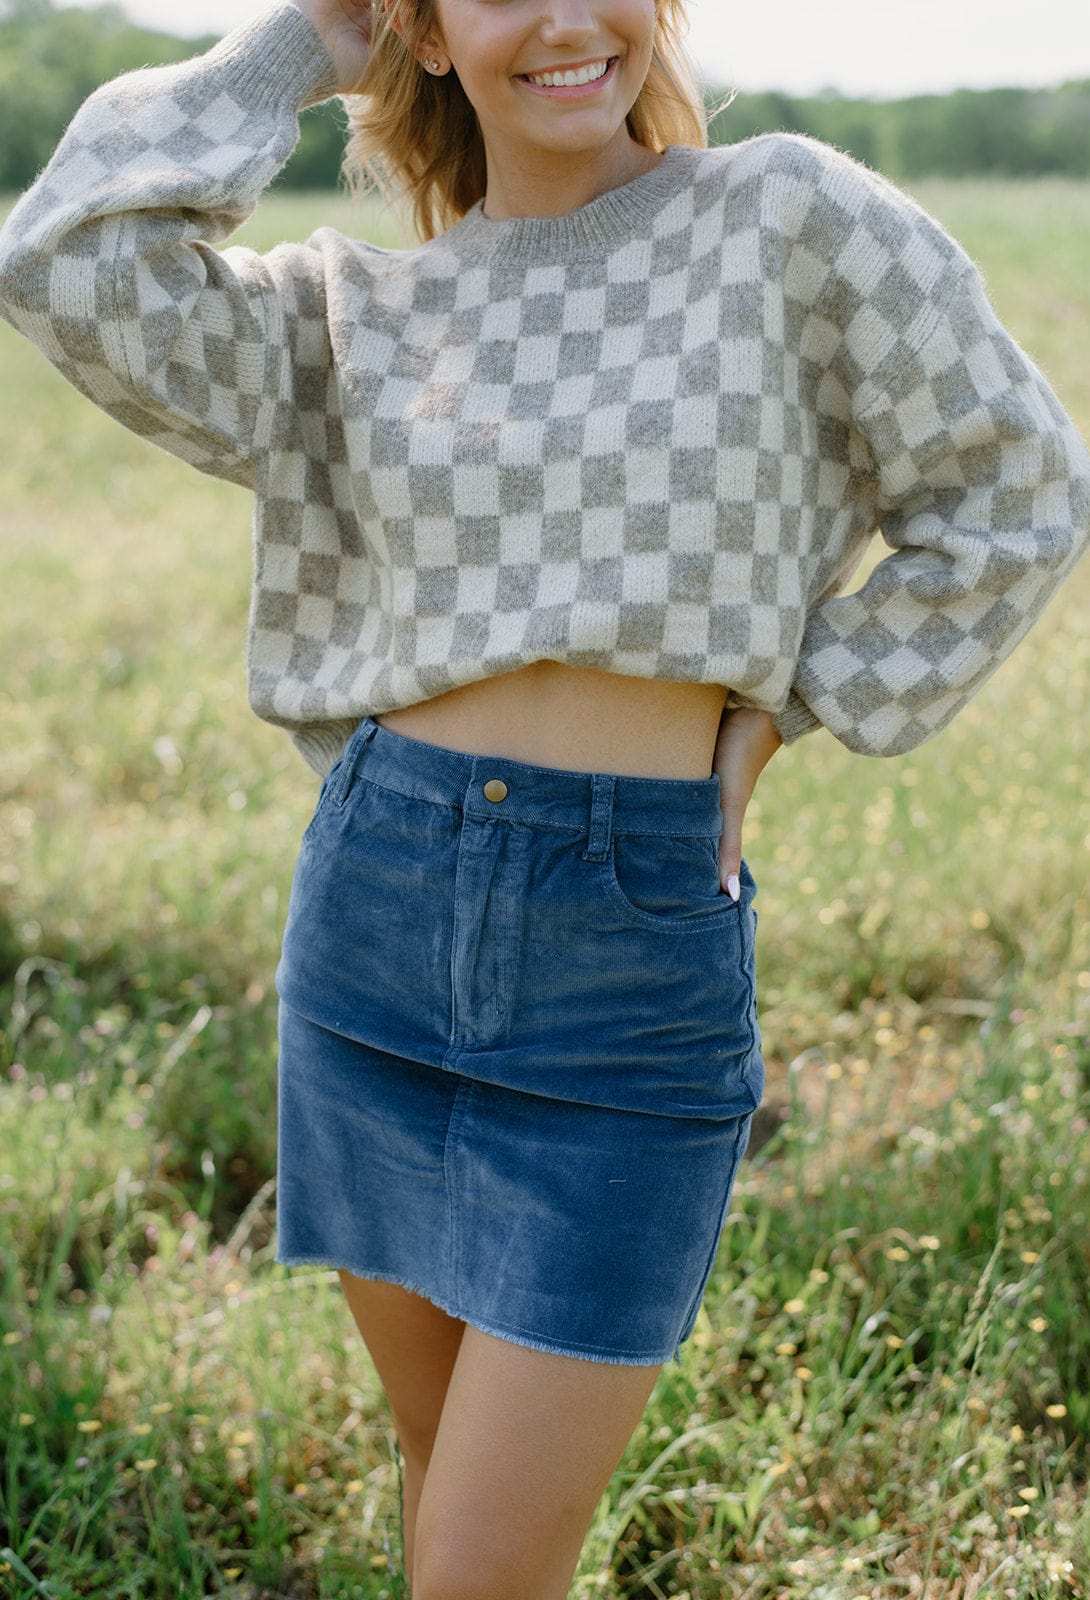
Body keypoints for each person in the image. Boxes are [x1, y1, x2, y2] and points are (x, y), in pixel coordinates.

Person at [1, 0, 1088, 1594]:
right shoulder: (349, 312)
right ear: (424, 31)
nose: (568, 16)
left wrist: (801, 704)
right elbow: (63, 265)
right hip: (378, 908)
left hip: (626, 951)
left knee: (480, 1566)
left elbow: (1016, 482)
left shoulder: (786, 215)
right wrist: (297, 46)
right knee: (441, 1480)